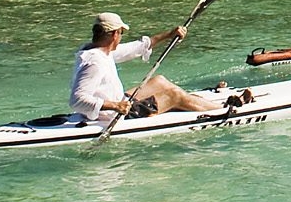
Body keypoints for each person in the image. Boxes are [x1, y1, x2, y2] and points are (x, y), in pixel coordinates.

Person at [68, 12, 224, 122]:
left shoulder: (98, 50)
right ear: (115, 34)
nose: (121, 37)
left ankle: (198, 102)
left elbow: (136, 47)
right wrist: (116, 106)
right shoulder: (94, 63)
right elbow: (77, 100)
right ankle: (223, 110)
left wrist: (169, 34)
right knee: (174, 95)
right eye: (121, 32)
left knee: (160, 81)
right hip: (114, 114)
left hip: (119, 102)